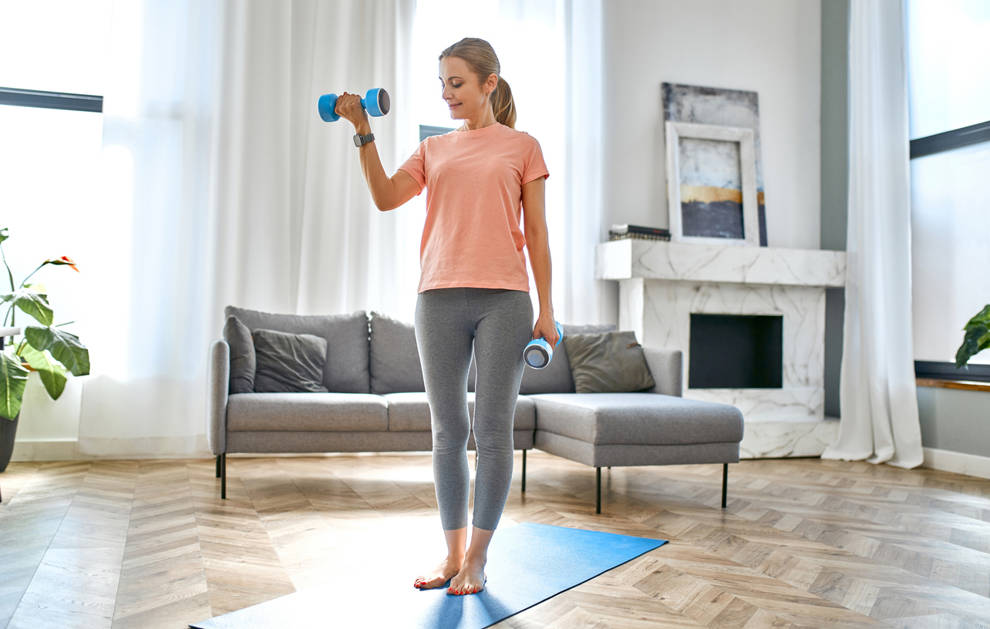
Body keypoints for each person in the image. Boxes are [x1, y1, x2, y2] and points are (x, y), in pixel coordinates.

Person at [334, 36, 556, 597]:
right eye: (442, 84)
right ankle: (452, 553)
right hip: (437, 298)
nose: (447, 94)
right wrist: (363, 130)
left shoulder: (523, 146)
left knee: (492, 430)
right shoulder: (433, 150)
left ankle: (479, 557)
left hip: (505, 299)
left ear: (489, 84)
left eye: (457, 83)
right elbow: (385, 197)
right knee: (447, 431)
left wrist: (548, 308)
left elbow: (536, 234)